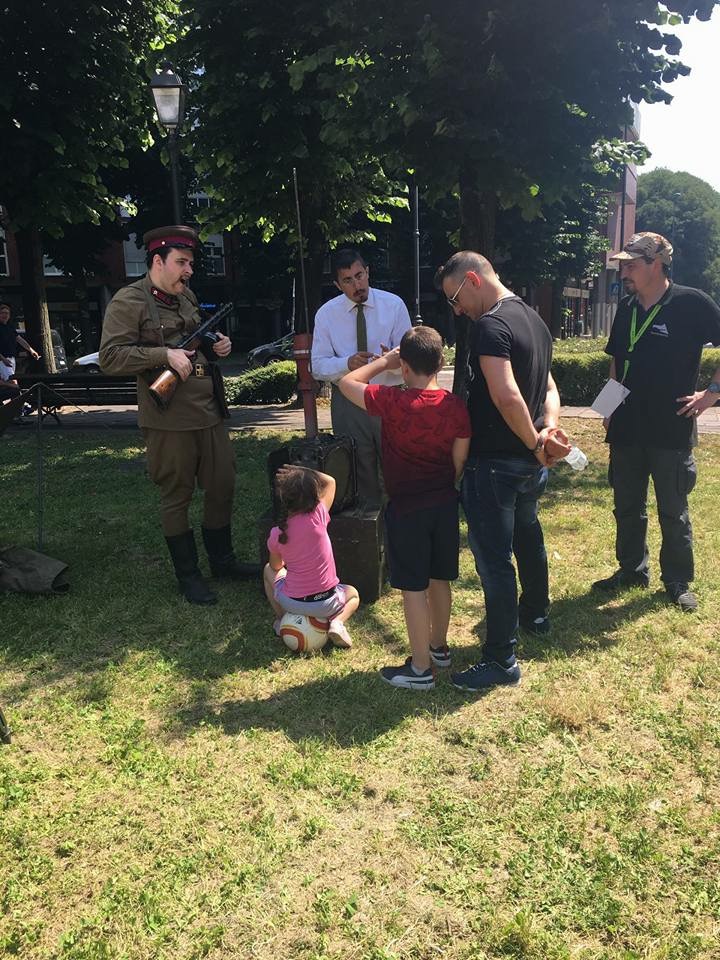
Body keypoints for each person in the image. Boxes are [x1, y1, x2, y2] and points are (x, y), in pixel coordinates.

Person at [99, 224, 257, 606]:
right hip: (167, 415)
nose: (189, 271)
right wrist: (162, 354)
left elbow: (195, 340)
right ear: (158, 260)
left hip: (208, 408)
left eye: (191, 263)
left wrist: (217, 345)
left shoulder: (187, 297)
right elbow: (110, 357)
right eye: (182, 262)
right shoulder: (129, 300)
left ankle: (223, 562)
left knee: (222, 483)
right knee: (177, 493)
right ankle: (189, 576)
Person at [437, 250, 571, 692]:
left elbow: (507, 395)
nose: (457, 310)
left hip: (496, 462)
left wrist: (536, 441)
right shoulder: (534, 320)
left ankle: (500, 658)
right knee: (528, 535)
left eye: (455, 298)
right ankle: (536, 614)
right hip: (529, 464)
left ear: (473, 280)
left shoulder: (490, 326)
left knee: (495, 560)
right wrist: (547, 431)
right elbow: (549, 387)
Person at [593, 231, 720, 612]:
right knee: (626, 506)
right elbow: (618, 361)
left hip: (671, 427)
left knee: (672, 510)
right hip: (627, 427)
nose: (625, 272)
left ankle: (677, 580)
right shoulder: (627, 308)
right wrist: (607, 410)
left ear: (656, 264)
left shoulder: (691, 302)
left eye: (631, 265)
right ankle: (631, 569)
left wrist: (711, 394)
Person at [339, 326, 471, 690]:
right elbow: (459, 458)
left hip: (407, 507)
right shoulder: (455, 406)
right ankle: (439, 647)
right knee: (439, 578)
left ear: (406, 367)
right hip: (444, 502)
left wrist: (385, 362)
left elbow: (347, 383)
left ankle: (420, 668)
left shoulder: (392, 401)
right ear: (441, 363)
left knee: (413, 587)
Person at [310, 249, 412, 507]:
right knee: (357, 468)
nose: (357, 285)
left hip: (388, 395)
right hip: (348, 401)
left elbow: (412, 357)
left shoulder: (393, 305)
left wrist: (393, 362)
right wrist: (346, 363)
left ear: (368, 272)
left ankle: (400, 519)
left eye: (359, 276)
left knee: (397, 464)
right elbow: (317, 366)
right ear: (337, 284)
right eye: (348, 280)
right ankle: (367, 521)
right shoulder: (326, 314)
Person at [264, 465, 359, 648]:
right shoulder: (318, 516)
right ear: (314, 496)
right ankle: (337, 623)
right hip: (326, 604)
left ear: (284, 498)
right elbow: (330, 481)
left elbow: (275, 566)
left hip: (291, 602)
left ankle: (282, 619)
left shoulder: (277, 533)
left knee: (268, 570)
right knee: (353, 594)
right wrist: (303, 470)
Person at [0, 302, 40, 381]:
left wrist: (31, 350)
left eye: (7, 313)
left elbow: (19, 339)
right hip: (2, 360)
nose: (5, 315)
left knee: (8, 382)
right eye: (2, 313)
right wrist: (3, 359)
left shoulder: (10, 327)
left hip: (11, 359)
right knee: (13, 382)